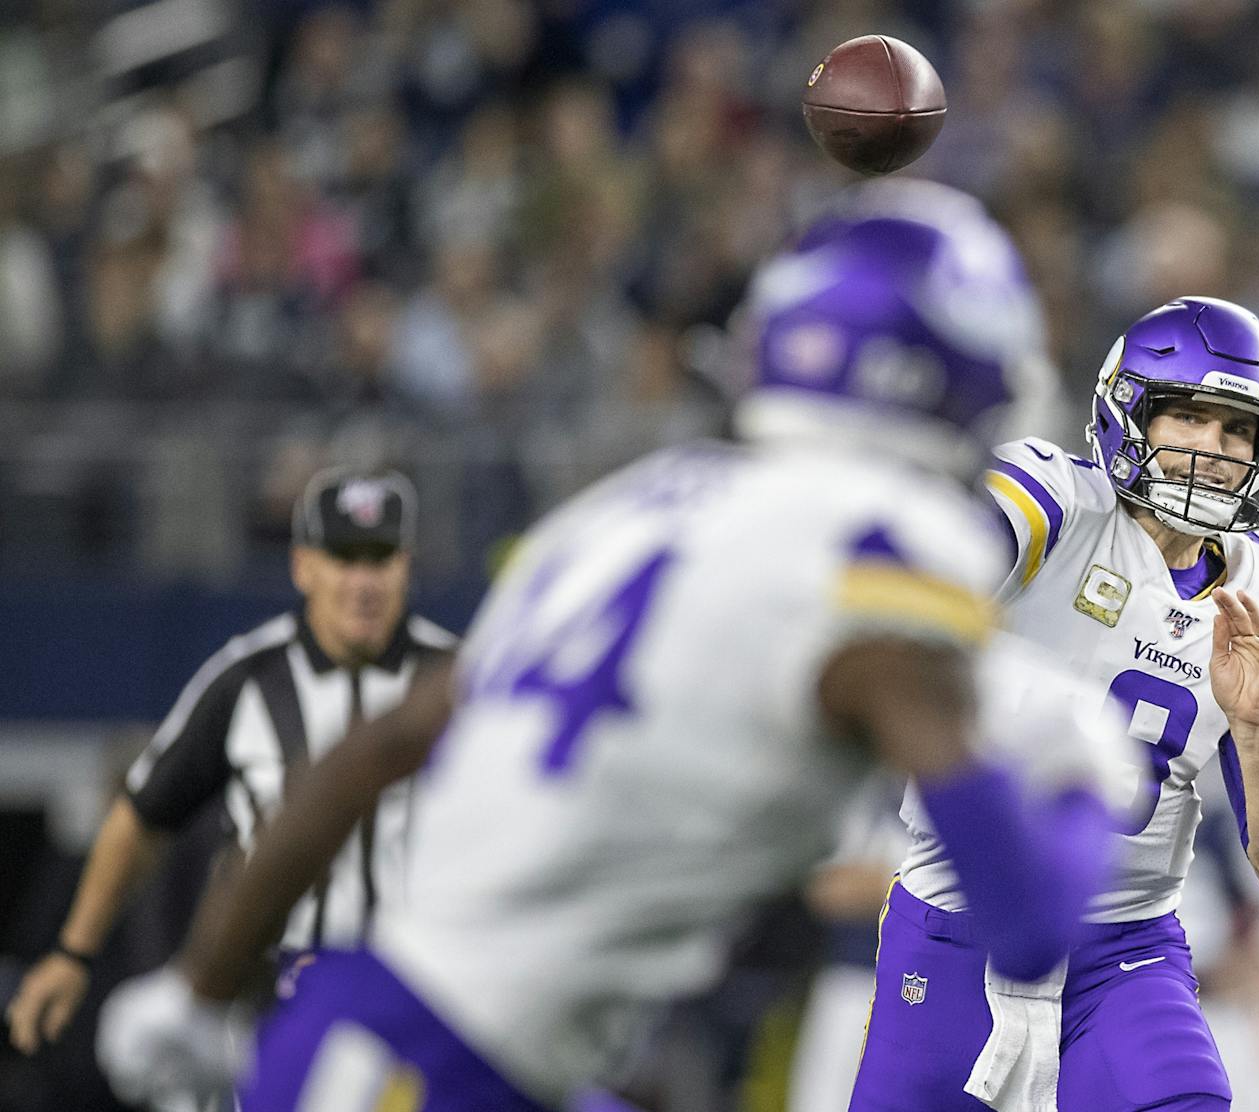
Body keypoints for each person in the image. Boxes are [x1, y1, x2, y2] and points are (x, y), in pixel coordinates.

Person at [92, 180, 1139, 1112]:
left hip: (397, 1032)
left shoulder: (633, 502)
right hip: (430, 1067)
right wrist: (1087, 782)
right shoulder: (890, 546)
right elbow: (1027, 917)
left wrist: (199, 986)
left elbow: (372, 750)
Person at [850, 295, 1259, 1112]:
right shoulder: (1052, 502)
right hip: (956, 930)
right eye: (1187, 417)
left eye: (1238, 431)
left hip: (1129, 955)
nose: (1214, 451)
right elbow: (924, 564)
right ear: (1124, 412)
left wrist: (1255, 731)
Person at [5, 467, 458, 1060]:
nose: (364, 581)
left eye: (381, 558)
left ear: (407, 565)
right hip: (281, 1000)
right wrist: (74, 952)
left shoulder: (459, 679)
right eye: (345, 558)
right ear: (303, 567)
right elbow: (143, 816)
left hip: (424, 993)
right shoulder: (248, 678)